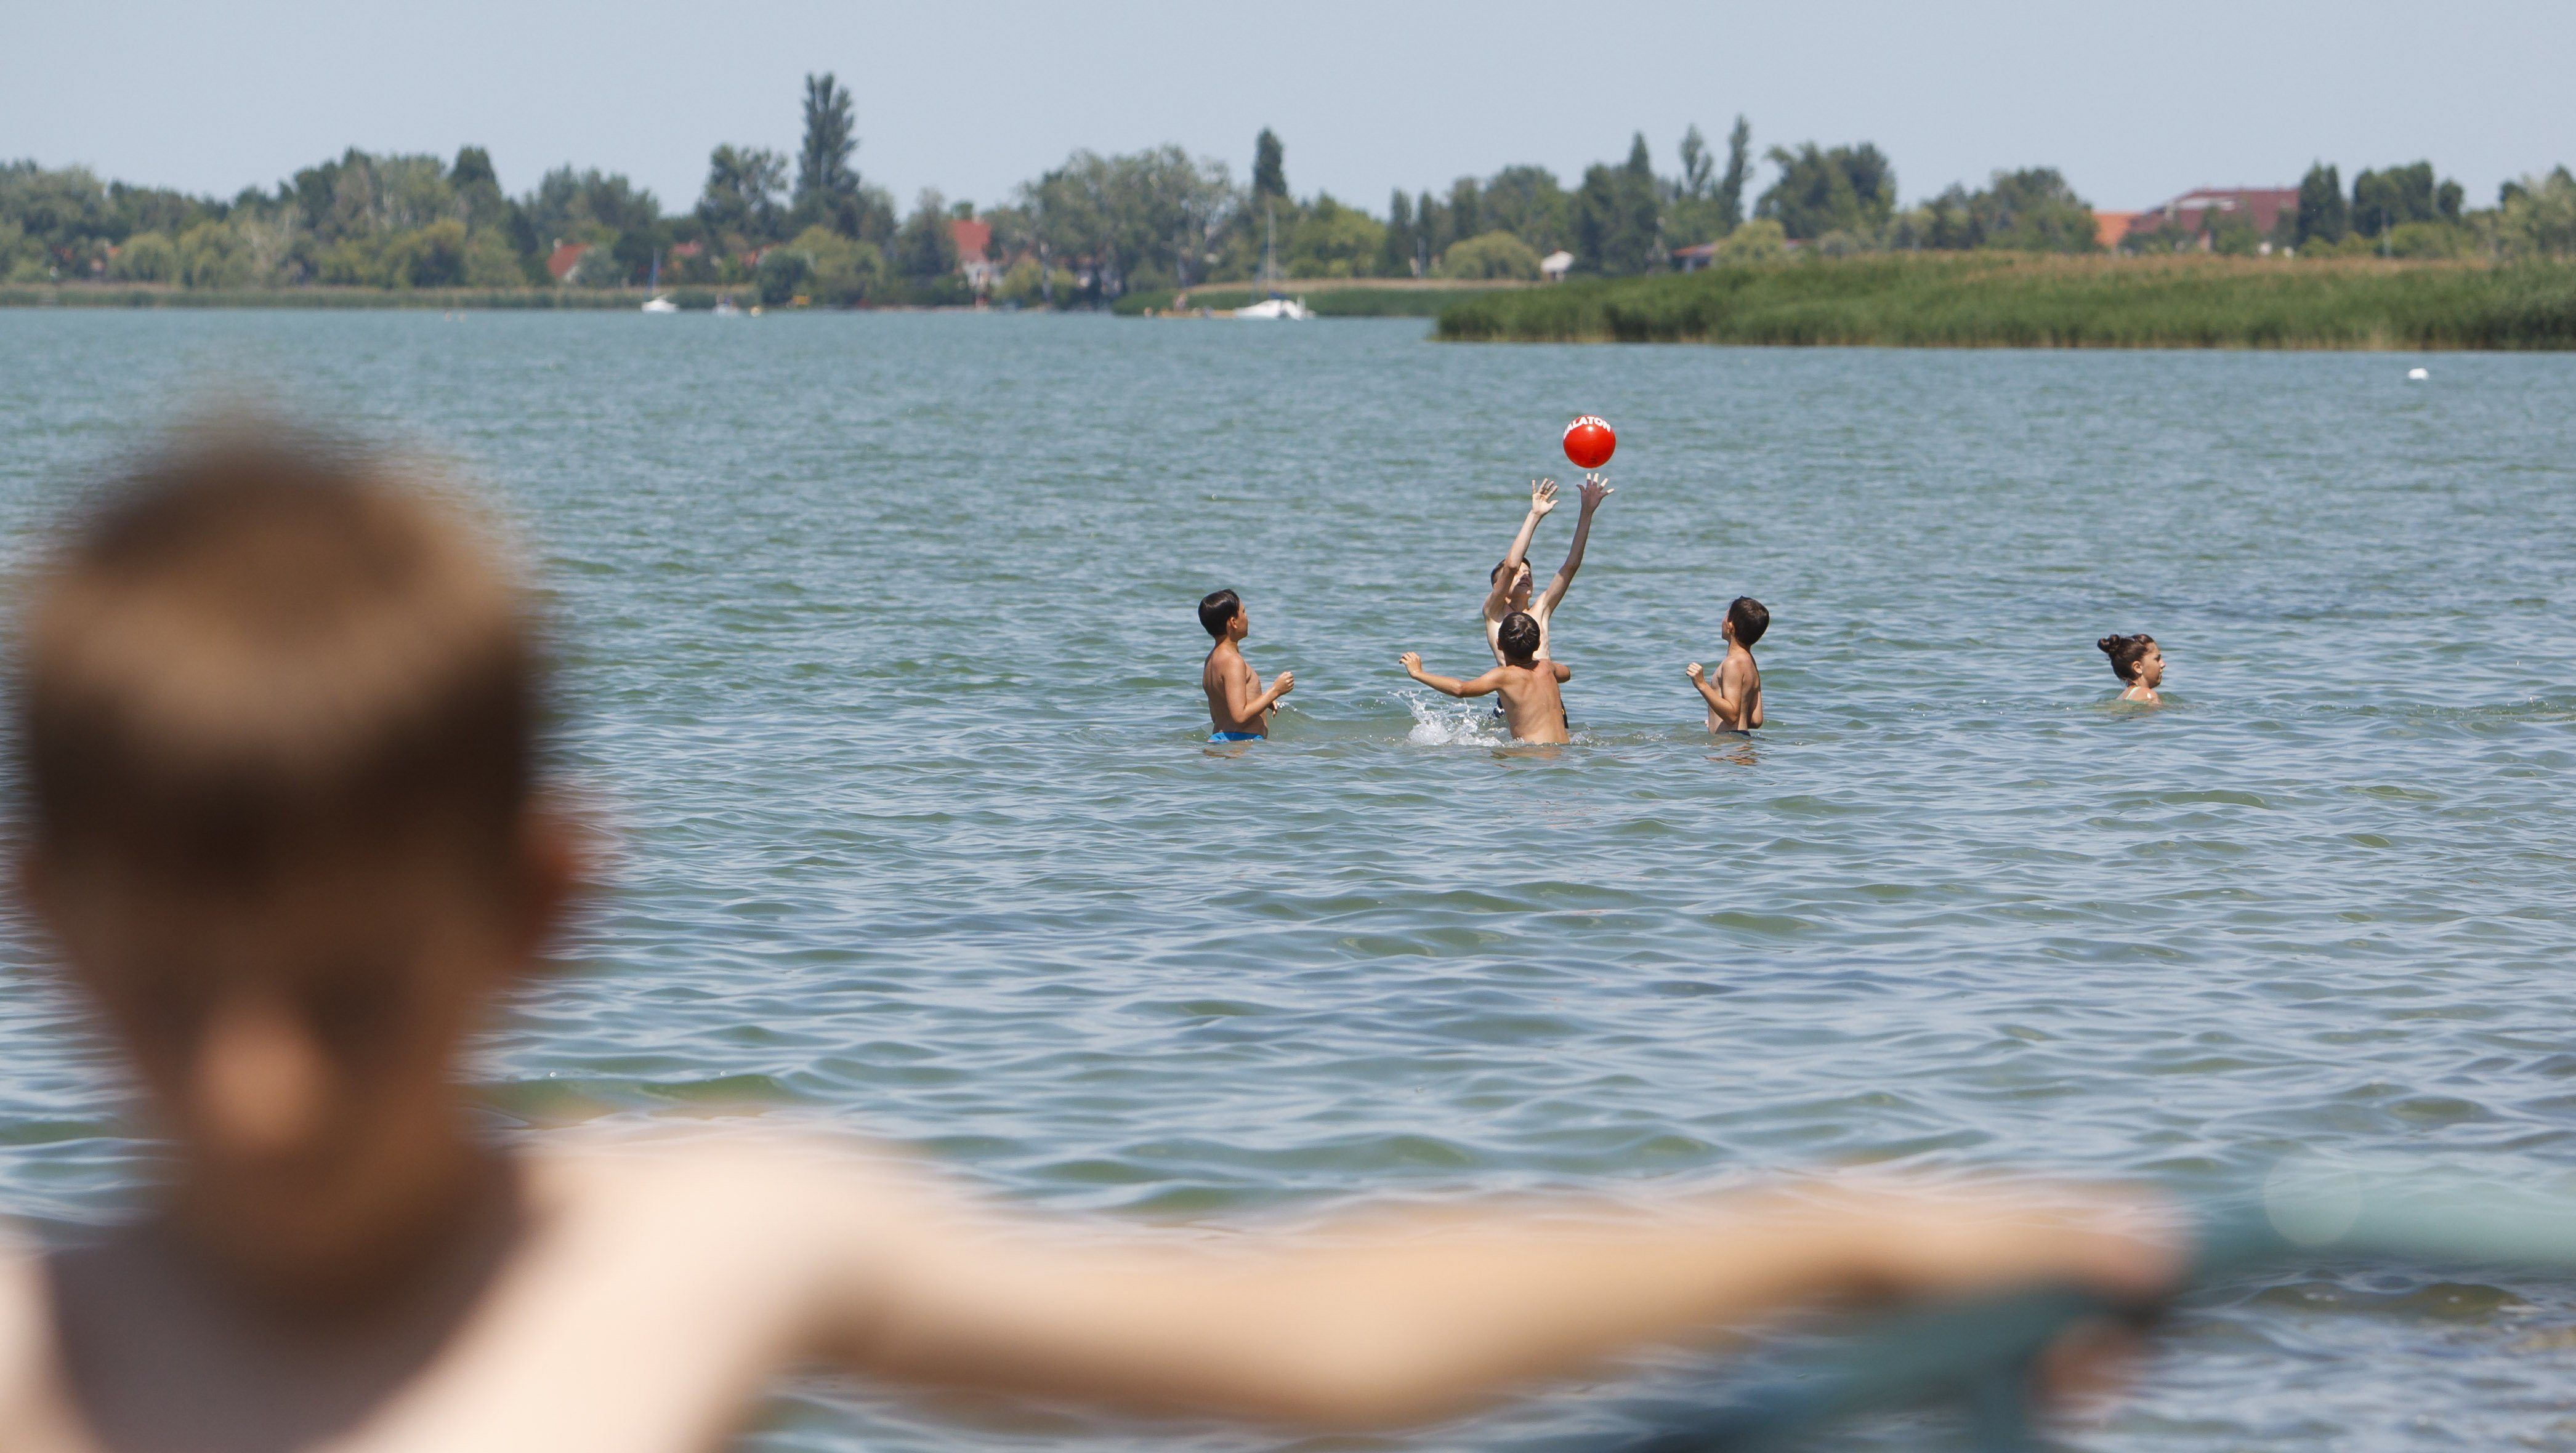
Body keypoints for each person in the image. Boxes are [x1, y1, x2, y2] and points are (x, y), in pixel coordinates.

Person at [0, 429, 2176, 1452]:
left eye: (349, 989)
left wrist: (1845, 1241)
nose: (260, 1082)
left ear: (546, 907)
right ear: (41, 923)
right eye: (174, 993)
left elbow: (1315, 1334)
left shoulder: (704, 1239)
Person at [1482, 473, 1612, 669]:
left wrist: (1587, 512)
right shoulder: (1494, 613)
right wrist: (1534, 516)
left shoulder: (1541, 609)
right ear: (1497, 586)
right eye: (1518, 573)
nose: (1524, 574)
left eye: (1528, 573)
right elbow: (1510, 566)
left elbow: (1571, 566)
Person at [1401, 612, 1574, 745]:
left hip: (1532, 756)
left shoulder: (1504, 676)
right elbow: (1566, 673)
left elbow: (1461, 689)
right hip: (1563, 751)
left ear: (1499, 644)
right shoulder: (1547, 667)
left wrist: (1418, 673)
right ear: (1537, 645)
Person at [1200, 588, 1292, 742]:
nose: (1247, 617)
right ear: (1233, 622)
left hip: (1222, 739)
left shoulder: (1212, 660)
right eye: (1244, 612)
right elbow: (1240, 717)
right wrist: (1276, 690)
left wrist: (1262, 701)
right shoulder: (1233, 661)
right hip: (1240, 744)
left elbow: (1219, 713)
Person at [1686, 597, 1768, 733]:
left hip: (1730, 746)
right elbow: (1756, 719)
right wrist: (1717, 721)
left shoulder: (1733, 663)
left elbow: (1731, 715)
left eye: (1726, 615)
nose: (1722, 620)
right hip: (1741, 741)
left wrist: (1701, 684)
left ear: (1731, 627)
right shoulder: (1750, 662)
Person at [2098, 634, 2163, 704]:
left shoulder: (2122, 697)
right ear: (2138, 667)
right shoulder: (2148, 695)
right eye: (2157, 659)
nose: (2163, 664)